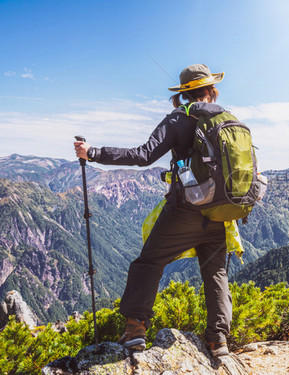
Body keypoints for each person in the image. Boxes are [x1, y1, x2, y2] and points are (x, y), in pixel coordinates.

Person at [74, 64, 232, 356]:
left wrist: (95, 153)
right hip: (222, 213)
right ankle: (219, 340)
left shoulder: (177, 120)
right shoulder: (228, 119)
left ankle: (135, 330)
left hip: (186, 210)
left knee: (149, 262)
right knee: (216, 272)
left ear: (184, 94)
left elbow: (144, 155)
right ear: (212, 90)